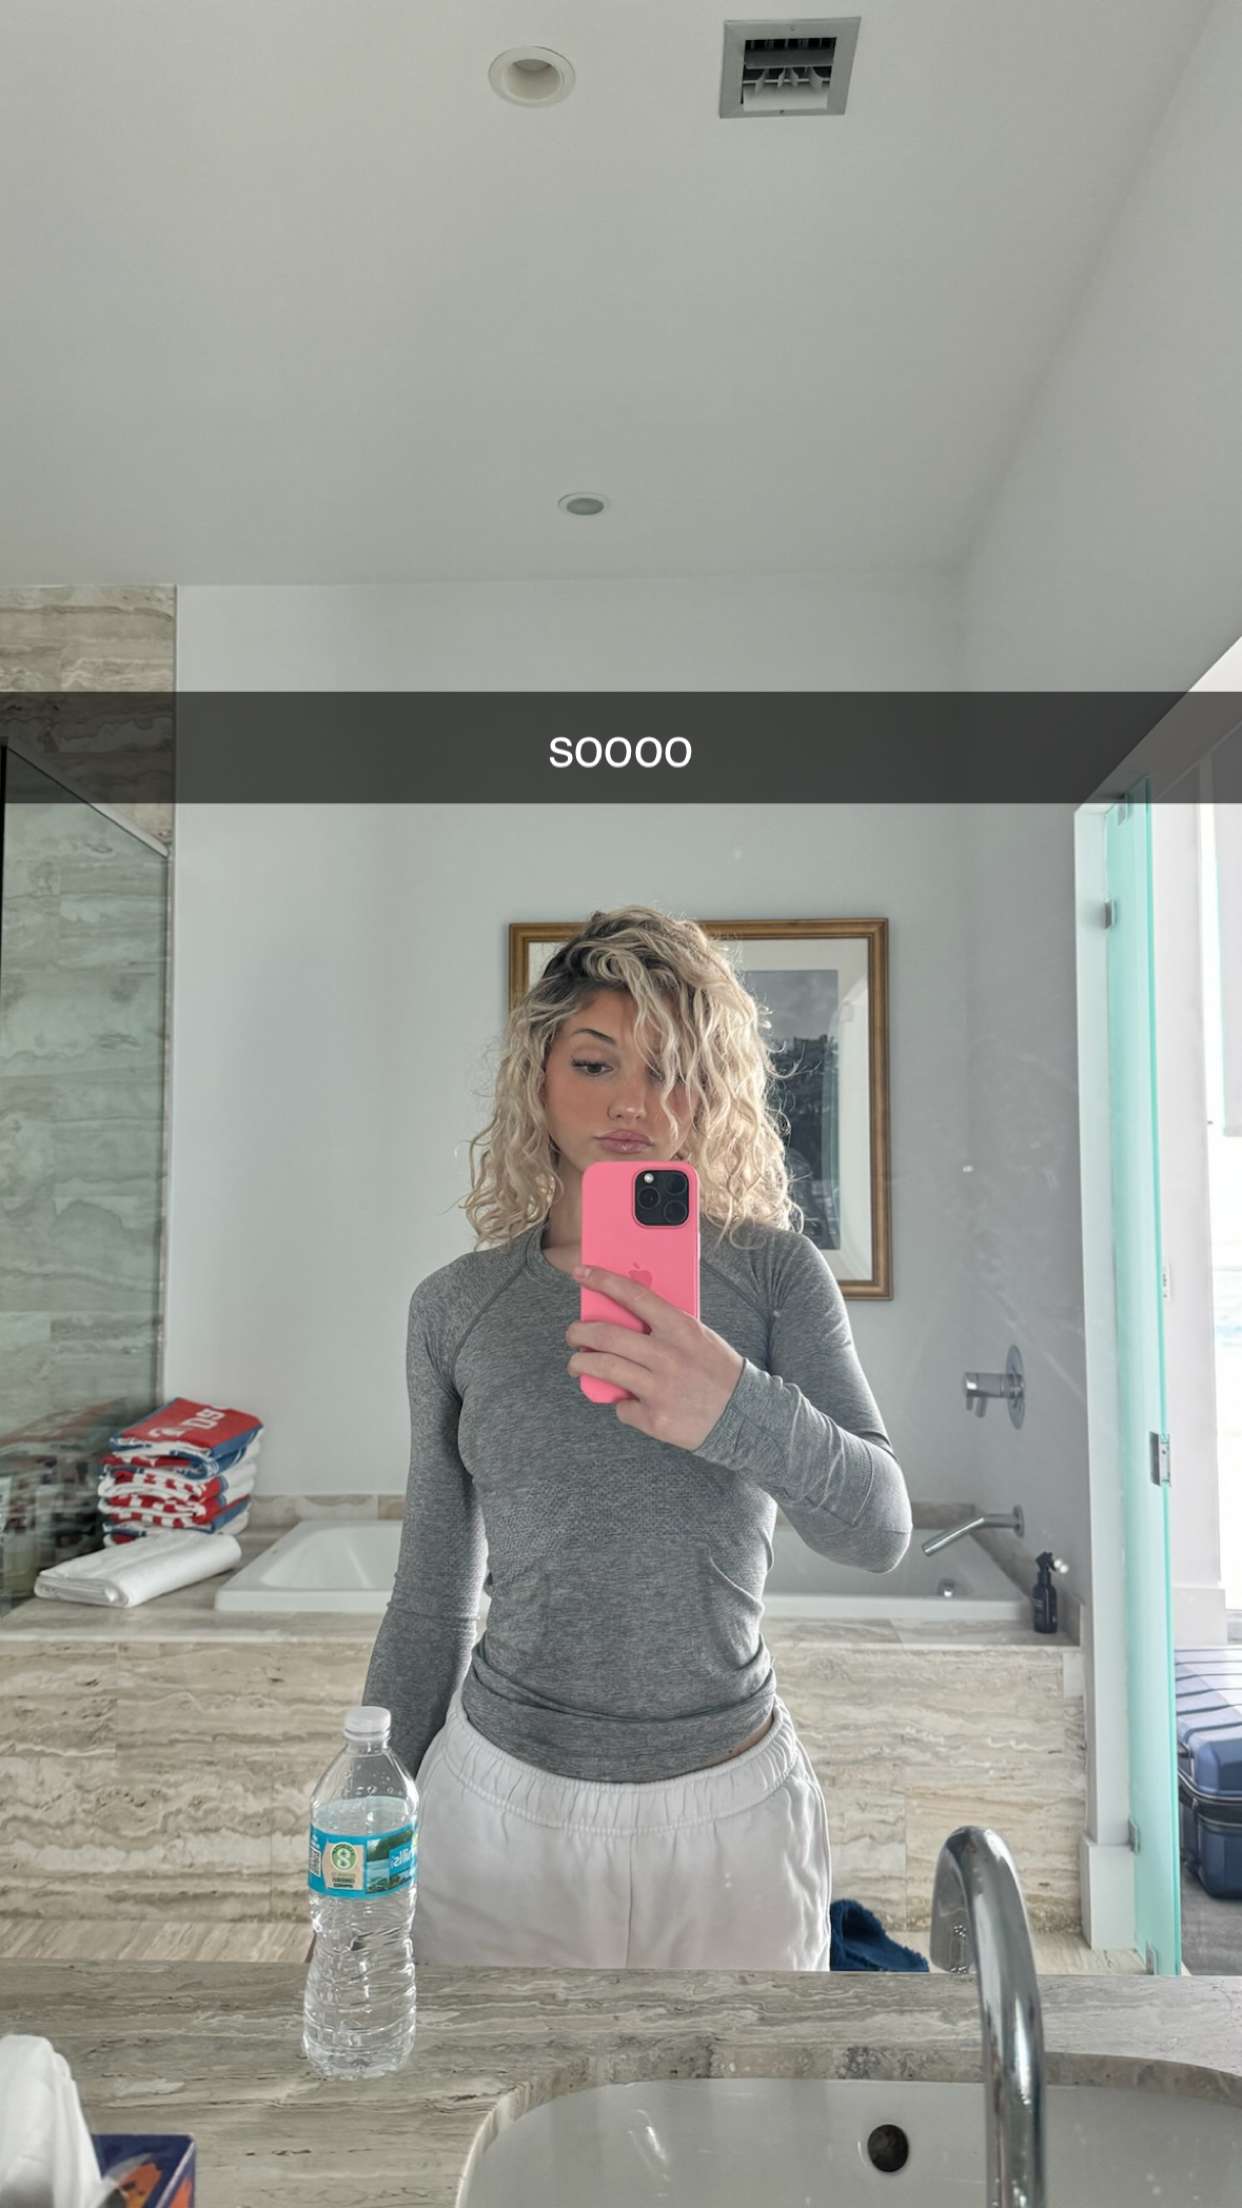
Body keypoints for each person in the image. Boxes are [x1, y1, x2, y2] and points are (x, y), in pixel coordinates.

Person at [363, 905, 911, 1971]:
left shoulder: (773, 1276)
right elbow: (430, 1596)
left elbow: (879, 1530)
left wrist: (735, 1406)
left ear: (711, 1093)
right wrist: (371, 1830)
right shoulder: (456, 1308)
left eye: (671, 1072)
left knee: (750, 2084)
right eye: (594, 1062)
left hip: (731, 1810)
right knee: (485, 2082)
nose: (630, 1102)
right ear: (537, 1078)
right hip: (500, 1804)